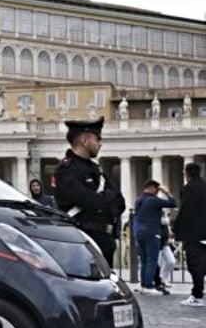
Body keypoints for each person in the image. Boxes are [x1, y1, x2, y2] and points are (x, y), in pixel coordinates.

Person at [52, 117, 125, 269]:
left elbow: (120, 202)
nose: (100, 143)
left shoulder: (97, 169)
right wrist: (106, 199)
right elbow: (89, 201)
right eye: (97, 139)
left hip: (105, 240)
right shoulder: (66, 170)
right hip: (82, 241)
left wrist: (103, 200)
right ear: (85, 140)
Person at [133, 179, 176, 295]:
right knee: (152, 260)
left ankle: (143, 285)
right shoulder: (154, 200)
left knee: (144, 261)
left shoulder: (139, 200)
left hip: (139, 233)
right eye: (157, 190)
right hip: (152, 232)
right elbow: (173, 203)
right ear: (152, 188)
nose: (158, 192)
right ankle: (148, 285)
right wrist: (166, 192)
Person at [172, 162, 206, 306]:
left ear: (187, 173)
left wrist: (176, 229)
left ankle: (197, 295)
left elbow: (185, 211)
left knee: (195, 264)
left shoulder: (189, 189)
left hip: (194, 233)